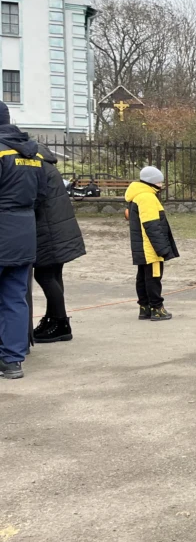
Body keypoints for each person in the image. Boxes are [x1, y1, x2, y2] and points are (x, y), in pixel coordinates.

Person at [0, 101, 47, 379]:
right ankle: (12, 360)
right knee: (15, 298)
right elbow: (41, 196)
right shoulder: (33, 153)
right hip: (24, 233)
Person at [32, 142, 87, 343]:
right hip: (58, 227)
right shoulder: (47, 165)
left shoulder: (37, 167)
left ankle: (61, 322)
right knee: (54, 274)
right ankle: (53, 319)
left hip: (49, 228)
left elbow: (35, 198)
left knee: (44, 275)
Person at [125, 167, 179, 322]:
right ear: (151, 182)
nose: (161, 184)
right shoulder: (147, 197)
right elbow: (152, 226)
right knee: (153, 277)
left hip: (142, 246)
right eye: (159, 181)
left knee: (142, 277)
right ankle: (157, 308)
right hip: (150, 247)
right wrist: (162, 249)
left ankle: (144, 308)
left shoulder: (138, 195)